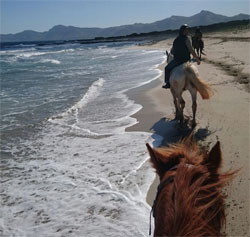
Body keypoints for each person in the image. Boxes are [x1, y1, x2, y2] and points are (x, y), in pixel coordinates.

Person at [162, 24, 200, 89]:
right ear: (182, 31)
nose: (187, 31)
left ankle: (168, 83)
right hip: (187, 60)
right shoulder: (187, 38)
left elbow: (173, 51)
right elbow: (191, 50)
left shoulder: (176, 40)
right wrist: (197, 59)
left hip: (178, 60)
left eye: (188, 30)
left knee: (167, 68)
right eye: (186, 30)